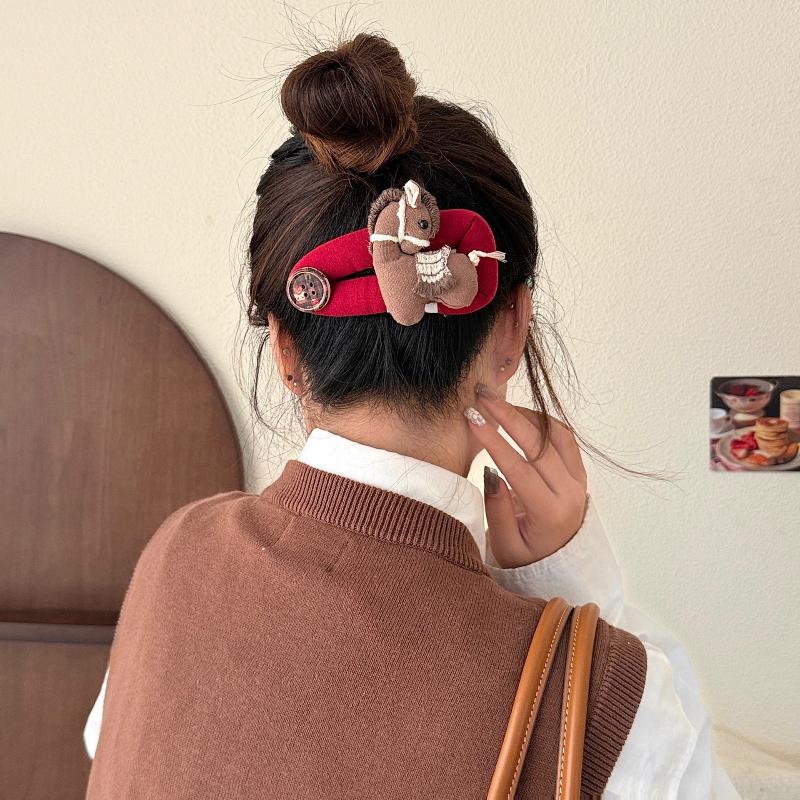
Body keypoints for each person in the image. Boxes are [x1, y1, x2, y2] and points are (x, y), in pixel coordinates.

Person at [84, 32, 740, 799]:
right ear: (512, 328)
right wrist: (576, 593)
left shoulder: (175, 554)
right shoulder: (608, 705)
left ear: (285, 348)